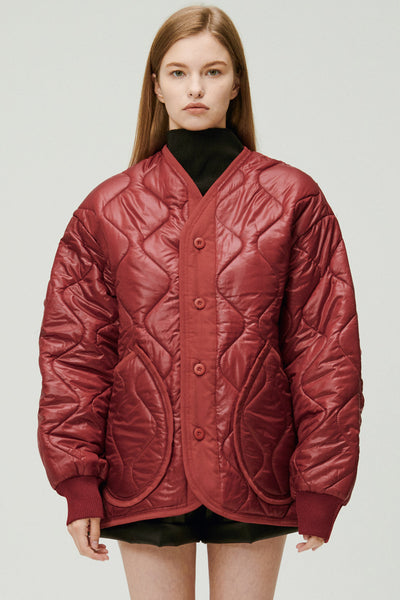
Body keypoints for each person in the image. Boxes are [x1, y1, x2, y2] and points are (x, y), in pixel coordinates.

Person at [37, 5, 364, 599]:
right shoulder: (107, 208)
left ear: (236, 84)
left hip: (254, 465)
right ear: (156, 85)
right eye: (178, 72)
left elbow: (325, 351)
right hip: (144, 468)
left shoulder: (292, 198)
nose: (195, 88)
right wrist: (78, 481)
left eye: (213, 72)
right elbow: (75, 354)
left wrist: (321, 484)